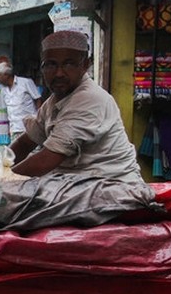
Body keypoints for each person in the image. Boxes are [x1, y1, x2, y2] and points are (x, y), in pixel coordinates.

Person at [10, 31, 142, 183]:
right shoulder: (53, 102)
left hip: (111, 189)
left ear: (85, 65)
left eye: (69, 64)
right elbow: (25, 143)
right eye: (51, 65)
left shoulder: (89, 99)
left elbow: (47, 160)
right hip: (77, 187)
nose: (59, 73)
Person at [0, 59, 41, 142]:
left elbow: (38, 99)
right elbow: (8, 110)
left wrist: (38, 119)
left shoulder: (25, 83)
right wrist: (8, 129)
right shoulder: (4, 90)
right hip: (14, 129)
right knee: (16, 153)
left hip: (29, 128)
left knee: (32, 153)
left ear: (6, 75)